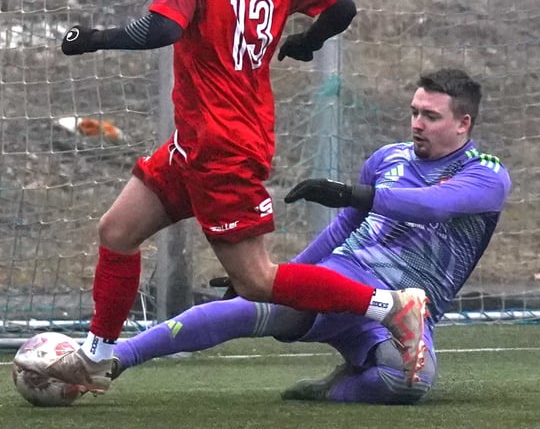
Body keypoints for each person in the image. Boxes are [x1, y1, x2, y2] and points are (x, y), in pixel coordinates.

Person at [15, 0, 429, 393]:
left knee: (256, 281)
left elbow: (161, 27)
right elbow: (341, 8)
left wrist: (92, 39)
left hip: (222, 147)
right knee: (116, 233)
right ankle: (95, 356)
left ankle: (393, 306)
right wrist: (307, 42)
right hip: (198, 143)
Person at [107, 68, 512, 404]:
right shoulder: (388, 158)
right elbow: (343, 227)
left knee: (409, 383)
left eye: (431, 117)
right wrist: (273, 282)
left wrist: (349, 193)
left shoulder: (486, 173)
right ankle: (111, 359)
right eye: (414, 112)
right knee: (243, 311)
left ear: (463, 124)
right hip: (340, 279)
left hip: (405, 312)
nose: (416, 124)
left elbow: (433, 205)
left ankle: (335, 387)